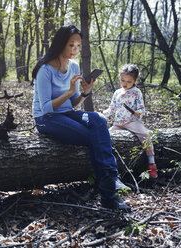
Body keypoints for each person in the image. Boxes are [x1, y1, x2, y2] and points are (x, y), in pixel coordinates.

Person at [32, 24, 131, 211]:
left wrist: (84, 93)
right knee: (92, 136)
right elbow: (45, 108)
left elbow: (72, 104)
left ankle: (110, 179)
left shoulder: (74, 66)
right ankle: (109, 193)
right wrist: (70, 90)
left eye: (78, 46)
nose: (75, 50)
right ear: (61, 44)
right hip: (46, 119)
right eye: (71, 45)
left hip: (67, 113)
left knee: (99, 119)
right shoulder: (44, 70)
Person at [103, 64, 157, 178]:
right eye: (122, 80)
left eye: (129, 81)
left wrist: (138, 113)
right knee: (106, 135)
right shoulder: (117, 92)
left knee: (146, 135)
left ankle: (151, 162)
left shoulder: (136, 92)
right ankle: (108, 164)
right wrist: (103, 114)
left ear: (135, 80)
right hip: (119, 123)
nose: (125, 84)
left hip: (132, 122)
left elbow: (141, 109)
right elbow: (112, 108)